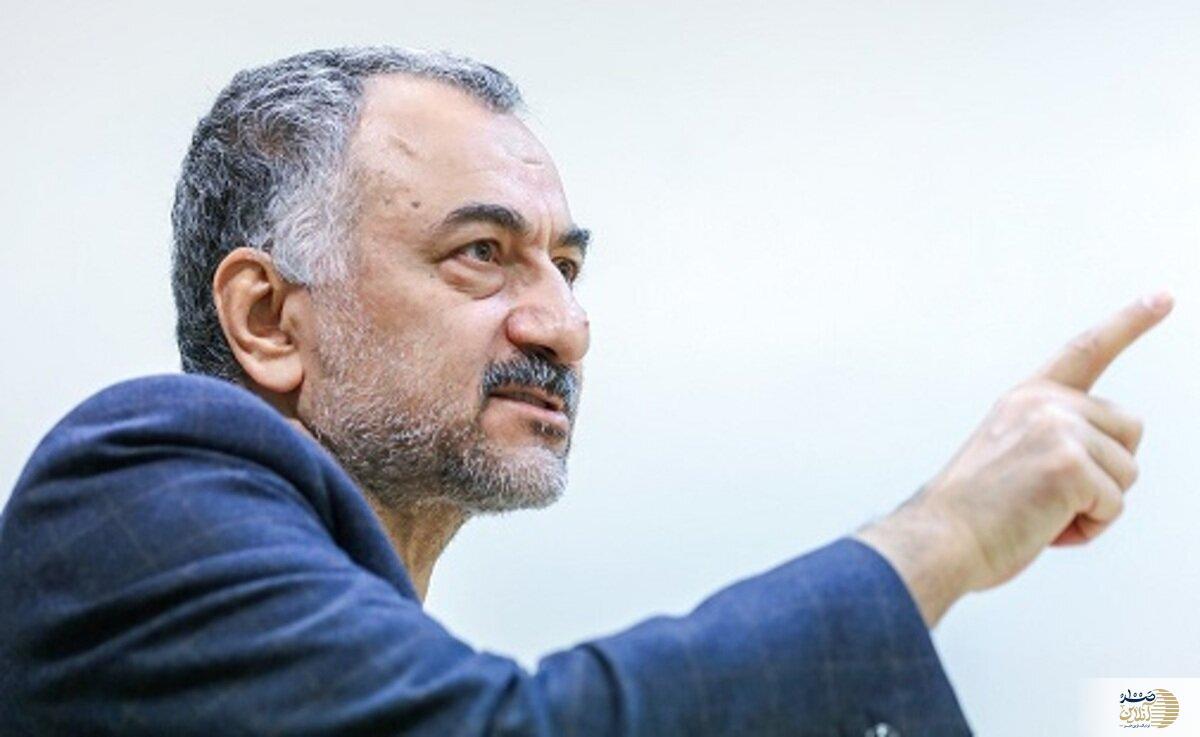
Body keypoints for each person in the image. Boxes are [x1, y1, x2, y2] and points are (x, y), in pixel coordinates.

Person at [0, 47, 1173, 737]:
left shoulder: (382, 663)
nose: (563, 324)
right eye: (481, 253)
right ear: (268, 317)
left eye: (566, 265)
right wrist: (948, 535)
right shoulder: (135, 471)